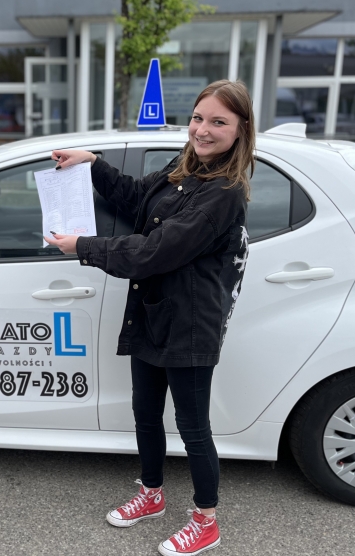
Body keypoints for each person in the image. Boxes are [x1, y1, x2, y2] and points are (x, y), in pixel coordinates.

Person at [44, 80, 255, 556]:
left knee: (193, 426)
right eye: (198, 118)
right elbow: (136, 196)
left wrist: (83, 247)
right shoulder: (184, 167)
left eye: (218, 122)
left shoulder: (224, 194)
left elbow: (156, 250)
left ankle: (206, 521)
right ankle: (152, 493)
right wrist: (92, 163)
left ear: (241, 130)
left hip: (190, 326)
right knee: (145, 412)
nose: (202, 130)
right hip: (153, 313)